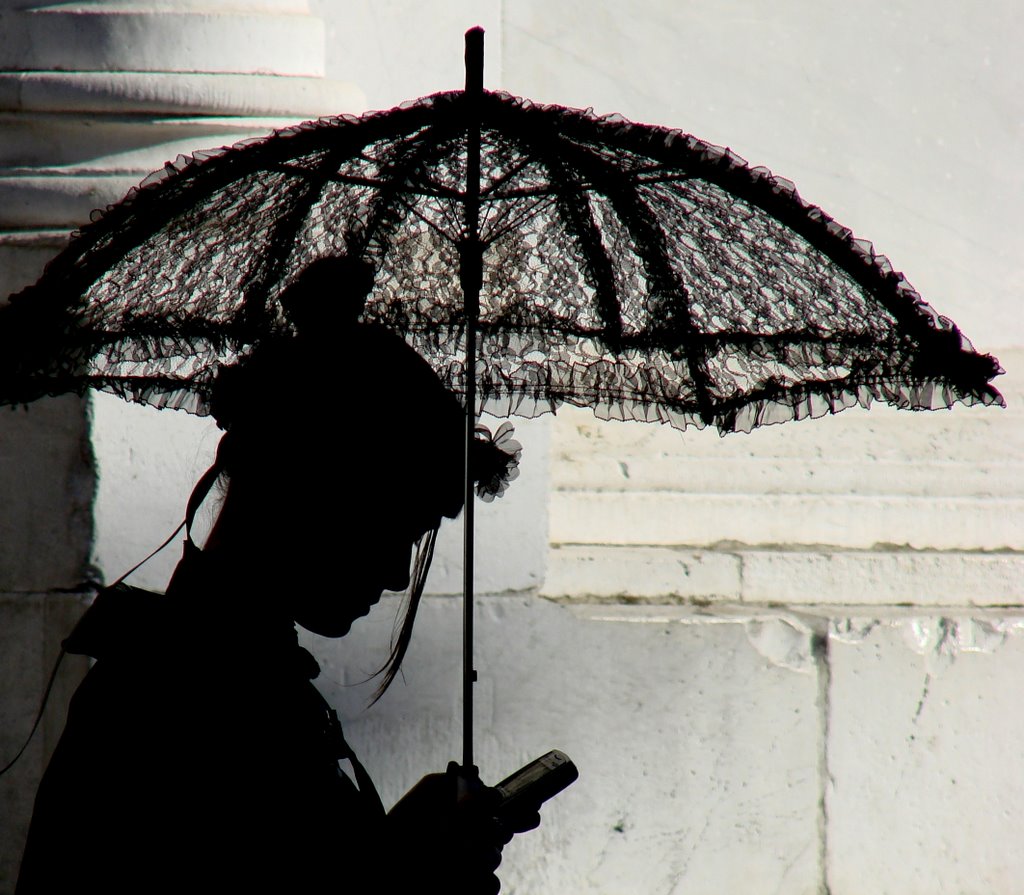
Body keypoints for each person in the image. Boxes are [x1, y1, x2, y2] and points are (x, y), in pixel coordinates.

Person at [16, 258, 533, 894]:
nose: (399, 576)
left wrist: (398, 848)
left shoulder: (231, 675)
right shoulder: (181, 698)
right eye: (390, 529)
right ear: (306, 494)